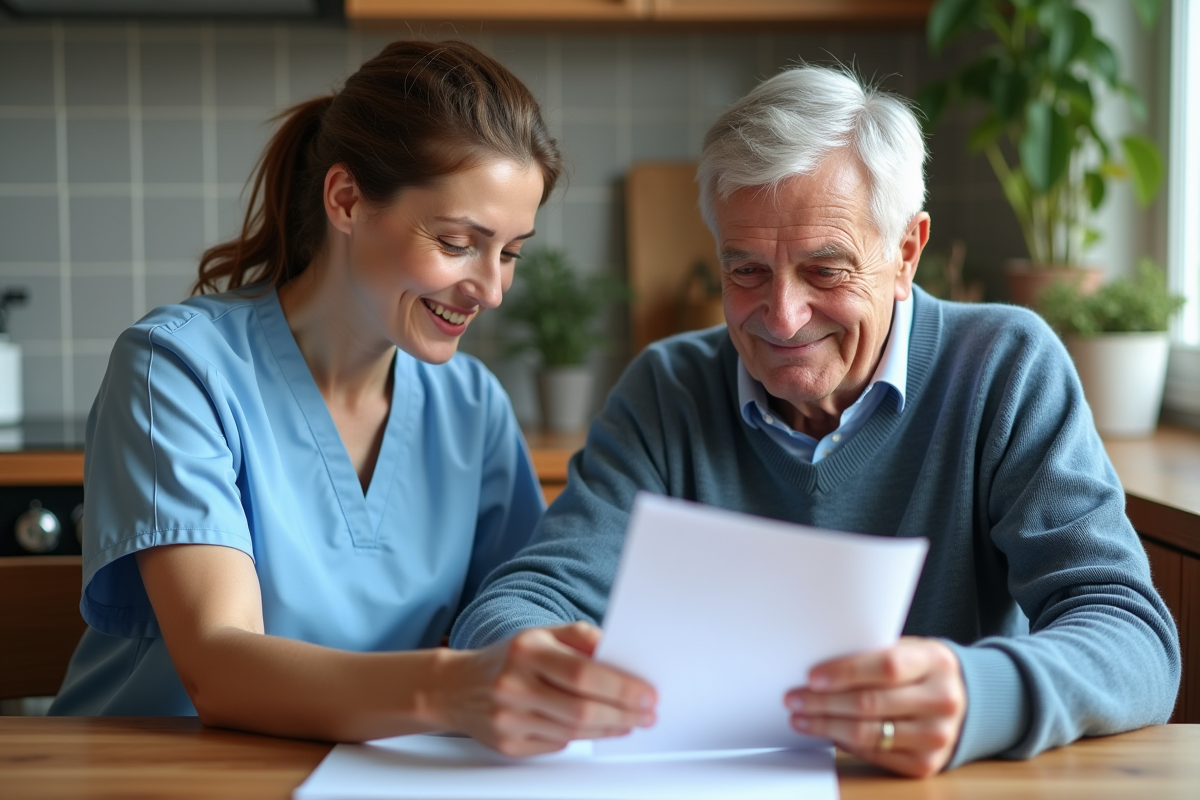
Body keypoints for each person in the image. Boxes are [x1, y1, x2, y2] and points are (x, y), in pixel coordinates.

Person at [449, 65, 1181, 776]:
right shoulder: (667, 389)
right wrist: (539, 664)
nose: (783, 316)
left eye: (825, 271)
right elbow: (520, 601)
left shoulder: (1005, 367)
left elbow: (1132, 637)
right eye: (746, 272)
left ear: (906, 253)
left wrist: (977, 694)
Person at [49, 40, 657, 755]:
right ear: (346, 200)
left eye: (511, 252)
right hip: (157, 773)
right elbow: (218, 664)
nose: (491, 289)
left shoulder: (472, 405)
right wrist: (451, 690)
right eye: (459, 242)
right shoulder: (177, 369)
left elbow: (514, 611)